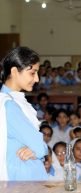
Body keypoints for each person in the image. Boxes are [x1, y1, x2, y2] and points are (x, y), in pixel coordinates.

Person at [0, 47, 48, 180]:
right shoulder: (9, 105)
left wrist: (38, 148)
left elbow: (37, 145)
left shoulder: (15, 101)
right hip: (21, 179)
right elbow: (39, 146)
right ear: (15, 71)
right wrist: (41, 148)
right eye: (33, 73)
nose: (37, 79)